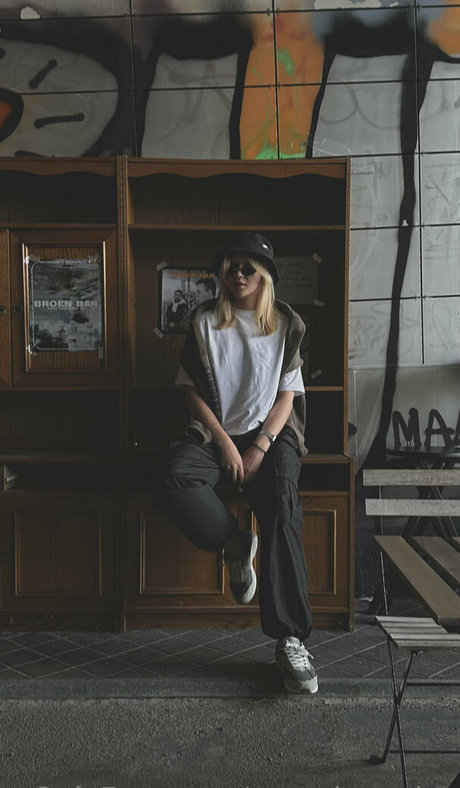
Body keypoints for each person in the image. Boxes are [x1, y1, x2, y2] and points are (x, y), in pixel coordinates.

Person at [159, 232, 317, 694]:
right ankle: (234, 542)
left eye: (249, 268)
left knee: (283, 508)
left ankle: (290, 639)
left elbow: (287, 397)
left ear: (265, 276)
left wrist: (260, 446)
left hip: (271, 435)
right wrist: (226, 444)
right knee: (173, 477)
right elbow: (190, 392)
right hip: (215, 434)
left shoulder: (286, 324)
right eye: (231, 267)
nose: (239, 275)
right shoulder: (205, 321)